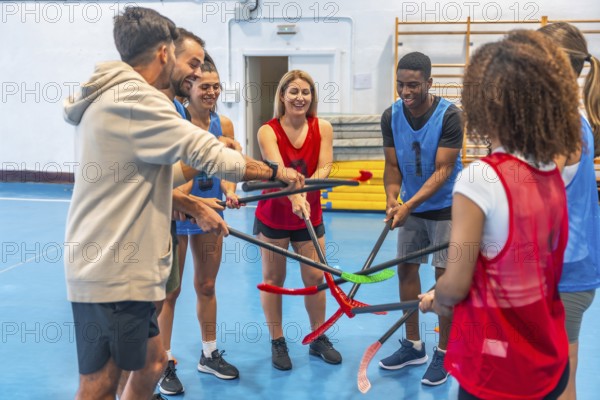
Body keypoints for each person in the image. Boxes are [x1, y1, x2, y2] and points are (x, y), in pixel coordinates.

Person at [63, 7, 303, 400]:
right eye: (187, 62)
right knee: (100, 385)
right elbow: (216, 158)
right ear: (163, 54)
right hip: (114, 268)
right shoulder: (138, 99)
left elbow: (153, 177)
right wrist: (278, 172)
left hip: (118, 266)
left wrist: (193, 205)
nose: (193, 73)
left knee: (153, 363)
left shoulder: (114, 95)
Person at [418, 30, 581, 399]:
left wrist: (438, 298)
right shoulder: (554, 167)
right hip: (549, 358)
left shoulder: (481, 177)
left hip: (500, 370)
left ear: (487, 105)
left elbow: (455, 286)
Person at [378, 51, 463, 386]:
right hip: (410, 206)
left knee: (444, 281)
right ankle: (414, 345)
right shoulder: (391, 115)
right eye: (400, 84)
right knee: (406, 271)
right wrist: (390, 200)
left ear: (430, 82)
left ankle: (445, 353)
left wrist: (408, 204)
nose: (405, 91)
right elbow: (392, 166)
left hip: (446, 207)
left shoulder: (450, 116)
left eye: (413, 85)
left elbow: (443, 171)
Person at [160, 57, 243, 393]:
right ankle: (163, 361)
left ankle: (208, 353)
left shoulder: (223, 123)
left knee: (207, 285)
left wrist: (230, 191)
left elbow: (228, 171)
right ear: (189, 88)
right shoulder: (175, 121)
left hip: (211, 216)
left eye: (215, 86)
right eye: (203, 86)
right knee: (170, 291)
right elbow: (169, 173)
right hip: (178, 214)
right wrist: (191, 205)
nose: (211, 92)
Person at [254, 70, 339, 371]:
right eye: (293, 92)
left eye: (306, 92)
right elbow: (277, 171)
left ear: (312, 97)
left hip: (309, 213)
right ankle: (277, 341)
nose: (300, 97)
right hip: (275, 214)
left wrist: (303, 192)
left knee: (315, 279)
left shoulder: (323, 127)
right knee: (274, 280)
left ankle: (318, 336)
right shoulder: (268, 130)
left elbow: (326, 166)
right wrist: (293, 196)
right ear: (282, 96)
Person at [538, 22, 600, 400]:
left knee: (556, 382)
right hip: (570, 269)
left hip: (561, 274)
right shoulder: (572, 121)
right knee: (559, 378)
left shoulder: (560, 126)